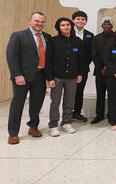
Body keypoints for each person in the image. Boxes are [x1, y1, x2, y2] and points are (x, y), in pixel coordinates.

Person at [6, 12, 51, 144]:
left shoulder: (47, 37)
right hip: (22, 77)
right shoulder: (18, 36)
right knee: (18, 104)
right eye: (37, 21)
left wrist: (49, 77)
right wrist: (17, 75)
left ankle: (33, 126)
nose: (40, 24)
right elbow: (12, 57)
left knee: (37, 103)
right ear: (29, 21)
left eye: (42, 21)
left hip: (40, 75)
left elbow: (48, 58)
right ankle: (13, 133)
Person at [46, 18, 85, 137]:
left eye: (68, 24)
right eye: (63, 25)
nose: (66, 27)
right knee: (55, 102)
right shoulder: (53, 41)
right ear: (59, 27)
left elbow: (81, 59)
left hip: (72, 77)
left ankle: (66, 122)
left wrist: (80, 74)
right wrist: (50, 78)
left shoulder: (77, 41)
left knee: (69, 101)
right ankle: (53, 125)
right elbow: (48, 61)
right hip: (57, 77)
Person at [71, 11, 94, 123]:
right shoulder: (67, 32)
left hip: (83, 69)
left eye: (82, 19)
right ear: (73, 20)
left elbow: (91, 53)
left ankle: (76, 113)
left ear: (86, 21)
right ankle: (67, 114)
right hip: (68, 69)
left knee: (79, 91)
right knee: (68, 93)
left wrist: (83, 68)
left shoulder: (90, 35)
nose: (80, 21)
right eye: (78, 19)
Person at [90, 17, 114, 124]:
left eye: (109, 25)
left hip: (112, 71)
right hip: (100, 71)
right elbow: (94, 54)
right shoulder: (96, 38)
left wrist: (108, 67)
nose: (107, 26)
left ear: (112, 26)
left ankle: (111, 115)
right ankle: (99, 115)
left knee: (112, 94)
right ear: (102, 25)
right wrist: (101, 68)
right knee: (100, 93)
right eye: (105, 24)